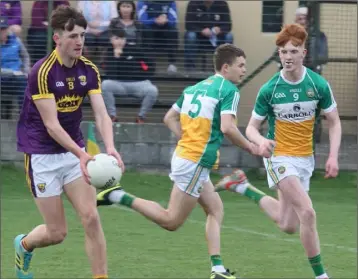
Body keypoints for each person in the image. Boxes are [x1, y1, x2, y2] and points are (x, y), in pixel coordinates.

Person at [96, 43, 271, 279]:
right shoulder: (228, 90)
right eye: (240, 65)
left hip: (188, 157)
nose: (244, 70)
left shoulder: (195, 88)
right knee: (171, 220)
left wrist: (186, 137)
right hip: (195, 161)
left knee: (216, 209)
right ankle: (117, 195)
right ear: (226, 67)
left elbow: (169, 117)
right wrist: (251, 146)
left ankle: (217, 269)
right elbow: (228, 127)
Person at [215, 24, 341, 279]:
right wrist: (260, 141)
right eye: (283, 52)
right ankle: (321, 276)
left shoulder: (317, 85)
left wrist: (333, 156)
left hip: (305, 159)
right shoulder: (270, 89)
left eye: (293, 51)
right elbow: (251, 128)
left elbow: (335, 121)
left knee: (288, 224)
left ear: (303, 53)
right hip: (279, 157)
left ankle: (242, 186)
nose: (288, 57)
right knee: (307, 212)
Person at [14, 5, 124, 279]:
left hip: (74, 155)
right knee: (57, 233)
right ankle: (24, 244)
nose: (79, 42)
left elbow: (101, 114)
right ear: (57, 38)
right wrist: (82, 153)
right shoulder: (42, 72)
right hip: (41, 154)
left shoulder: (89, 69)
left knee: (91, 218)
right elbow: (51, 125)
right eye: (73, 36)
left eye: (83, 35)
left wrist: (109, 147)